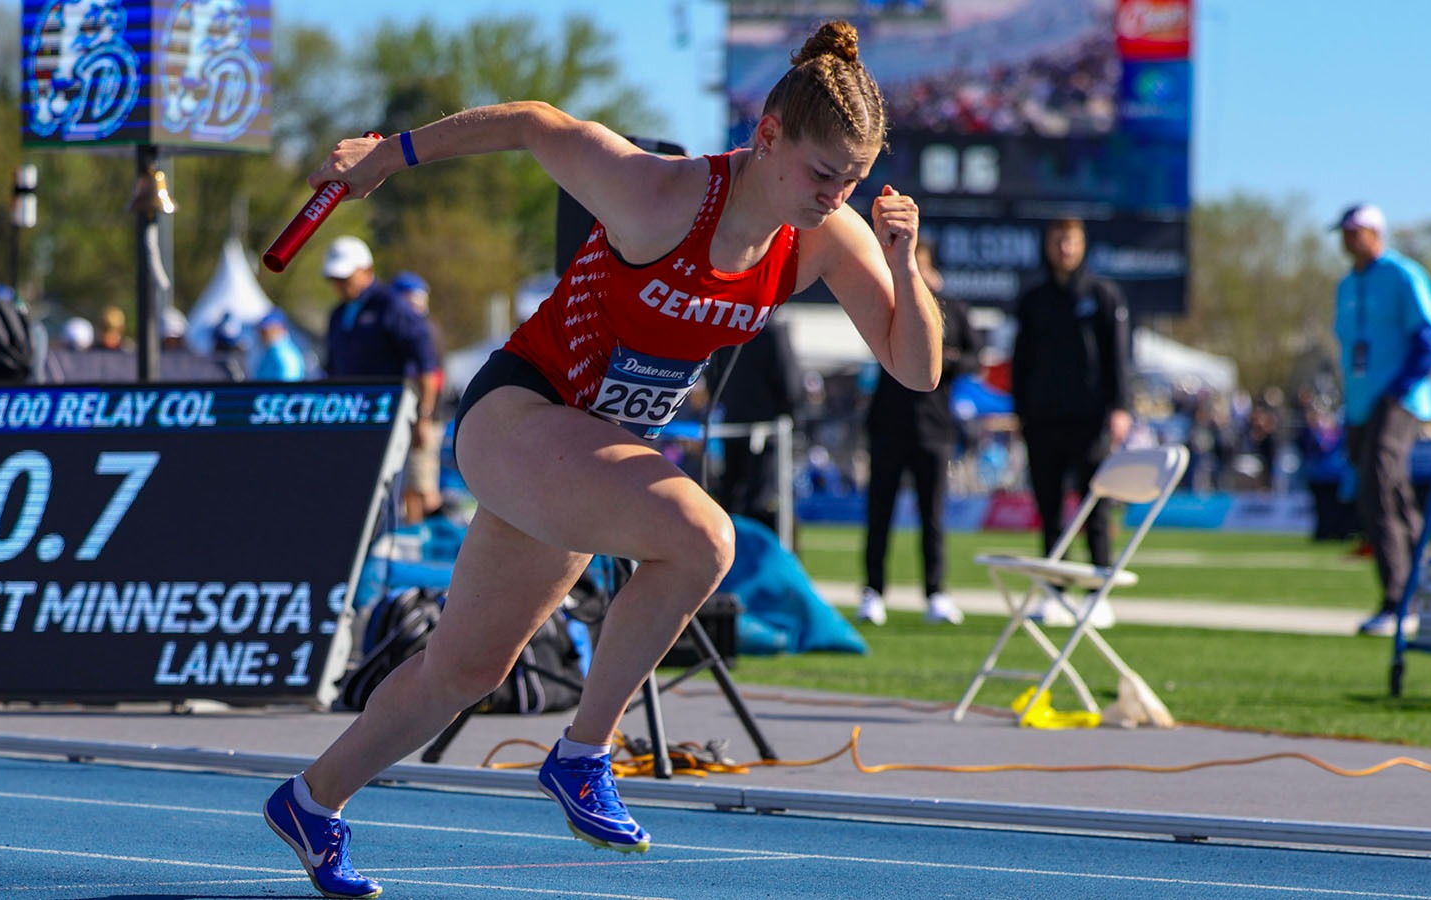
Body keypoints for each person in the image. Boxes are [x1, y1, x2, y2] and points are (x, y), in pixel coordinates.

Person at [262, 20, 942, 899]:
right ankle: (582, 754)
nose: (834, 196)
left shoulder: (826, 236)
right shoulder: (657, 196)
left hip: (585, 456)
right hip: (521, 414)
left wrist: (902, 257)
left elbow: (916, 368)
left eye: (852, 179)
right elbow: (539, 122)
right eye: (822, 173)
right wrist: (390, 154)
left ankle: (311, 803)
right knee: (704, 537)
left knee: (465, 671)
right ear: (766, 136)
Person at [1009, 217, 1132, 627]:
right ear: (1047, 245)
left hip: (1091, 419)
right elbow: (1021, 361)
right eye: (1058, 239)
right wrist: (1020, 410)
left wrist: (1120, 407)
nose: (1064, 247)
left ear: (1082, 245)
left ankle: (1099, 594)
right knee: (1050, 510)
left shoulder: (1102, 295)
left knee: (1094, 505)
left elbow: (1118, 356)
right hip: (1043, 420)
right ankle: (1055, 591)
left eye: (1071, 240)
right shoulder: (1033, 299)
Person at [1329, 203, 1431, 637]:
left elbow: (1428, 342)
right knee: (1388, 495)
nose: (1347, 239)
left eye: (1355, 231)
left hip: (1398, 399)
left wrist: (1397, 390)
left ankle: (1399, 599)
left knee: (1380, 489)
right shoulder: (1346, 285)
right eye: (1343, 232)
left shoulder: (1403, 275)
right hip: (1360, 405)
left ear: (1375, 232)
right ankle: (1425, 587)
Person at [856, 239, 980, 626]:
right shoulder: (889, 301)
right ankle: (873, 591)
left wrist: (945, 357)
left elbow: (975, 357)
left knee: (933, 517)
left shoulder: (954, 308)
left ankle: (936, 593)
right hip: (889, 424)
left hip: (933, 427)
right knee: (880, 513)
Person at [320, 236, 444, 529]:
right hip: (352, 419)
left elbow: (426, 365)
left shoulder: (392, 308)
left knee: (406, 489)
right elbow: (332, 370)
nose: (340, 285)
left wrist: (423, 417)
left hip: (391, 417)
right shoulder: (339, 314)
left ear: (365, 270)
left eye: (345, 278)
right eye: (335, 279)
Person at [705, 313, 802, 537]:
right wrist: (791, 415)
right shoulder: (772, 331)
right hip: (767, 430)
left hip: (735, 425)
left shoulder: (728, 326)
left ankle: (730, 554)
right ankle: (750, 558)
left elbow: (713, 379)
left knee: (730, 496)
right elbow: (790, 384)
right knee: (759, 499)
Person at [390, 270, 450, 522]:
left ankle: (430, 538)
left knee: (420, 487)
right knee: (413, 486)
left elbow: (433, 377)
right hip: (421, 416)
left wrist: (424, 418)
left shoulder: (424, 330)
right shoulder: (419, 328)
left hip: (426, 418)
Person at [253, 308, 306, 381]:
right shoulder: (271, 352)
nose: (262, 335)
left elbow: (285, 388)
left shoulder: (285, 355)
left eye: (267, 331)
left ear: (280, 328)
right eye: (262, 331)